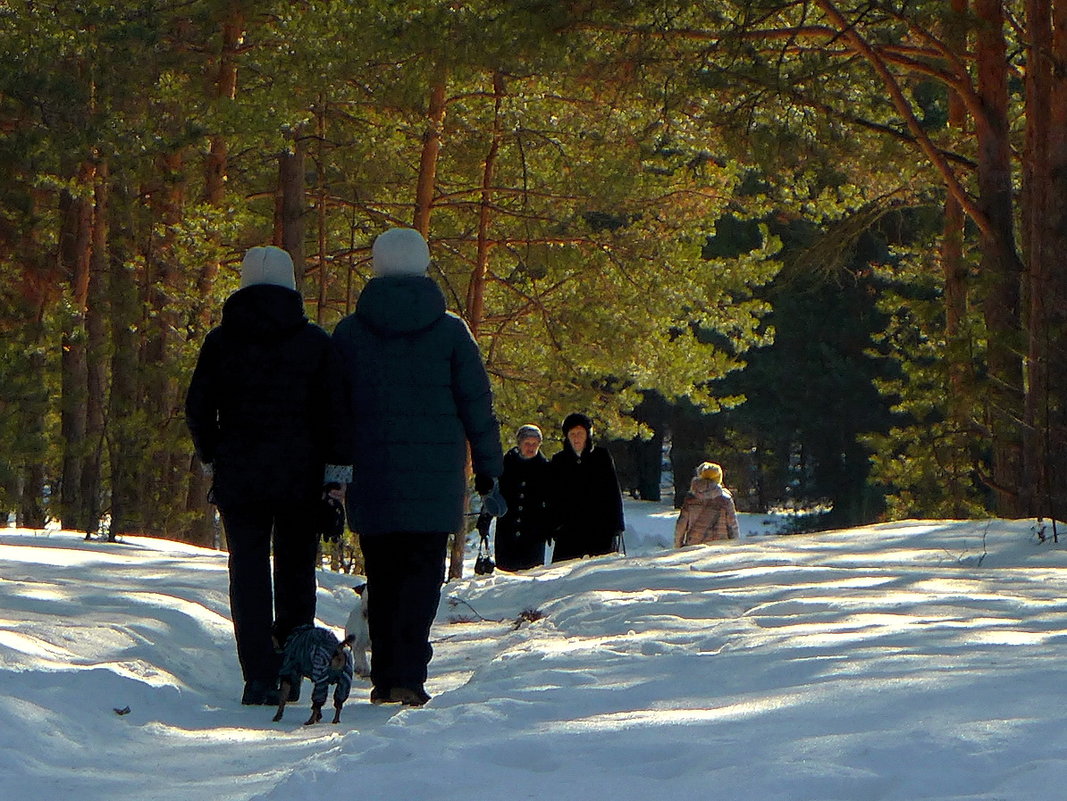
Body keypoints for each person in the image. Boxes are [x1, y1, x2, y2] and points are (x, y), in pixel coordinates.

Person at [332, 227, 503, 707]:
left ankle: (386, 677)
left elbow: (334, 410)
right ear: (424, 264)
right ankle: (409, 674)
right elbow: (477, 405)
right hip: (434, 480)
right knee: (423, 578)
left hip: (373, 477)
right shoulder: (450, 332)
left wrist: (333, 472)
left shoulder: (349, 333)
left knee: (383, 576)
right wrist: (489, 467)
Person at [185, 245, 352, 706]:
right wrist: (335, 483)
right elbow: (337, 417)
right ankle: (293, 672)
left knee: (249, 573)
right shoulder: (315, 343)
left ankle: (258, 674)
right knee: (297, 572)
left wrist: (214, 457)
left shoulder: (221, 341)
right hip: (301, 478)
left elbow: (198, 408)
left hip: (240, 478)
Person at [549, 412, 625, 562]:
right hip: (569, 530)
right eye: (572, 434)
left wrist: (617, 524)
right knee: (563, 574)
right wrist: (554, 526)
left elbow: (613, 491)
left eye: (580, 433)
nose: (576, 438)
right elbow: (553, 496)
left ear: (588, 435)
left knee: (601, 573)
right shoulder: (559, 460)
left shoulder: (601, 456)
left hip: (600, 527)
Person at [485, 424, 552, 571]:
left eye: (535, 444)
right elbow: (493, 493)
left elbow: (551, 501)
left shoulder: (546, 468)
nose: (531, 447)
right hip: (507, 533)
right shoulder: (506, 464)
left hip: (533, 535)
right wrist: (485, 519)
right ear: (519, 444)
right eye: (527, 443)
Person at [673, 461, 741, 546]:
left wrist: (678, 544)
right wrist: (734, 544)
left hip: (694, 546)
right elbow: (732, 526)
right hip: (720, 546)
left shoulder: (691, 498)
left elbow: (681, 524)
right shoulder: (726, 500)